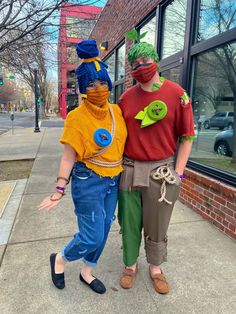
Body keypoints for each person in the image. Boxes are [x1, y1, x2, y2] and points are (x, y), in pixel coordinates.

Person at [38, 40, 127, 294]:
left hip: (114, 180)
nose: (97, 88)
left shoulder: (117, 112)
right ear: (83, 87)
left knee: (105, 228)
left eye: (101, 82)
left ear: (108, 83)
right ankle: (60, 259)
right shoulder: (76, 117)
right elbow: (68, 156)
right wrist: (59, 187)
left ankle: (86, 271)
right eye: (90, 84)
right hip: (88, 180)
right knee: (91, 236)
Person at [118, 38, 195, 294]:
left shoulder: (177, 94)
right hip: (129, 169)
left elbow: (187, 137)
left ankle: (155, 267)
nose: (141, 66)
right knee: (128, 222)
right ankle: (130, 265)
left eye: (145, 61)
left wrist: (179, 172)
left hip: (162, 172)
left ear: (156, 61)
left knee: (158, 223)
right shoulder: (126, 99)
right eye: (135, 63)